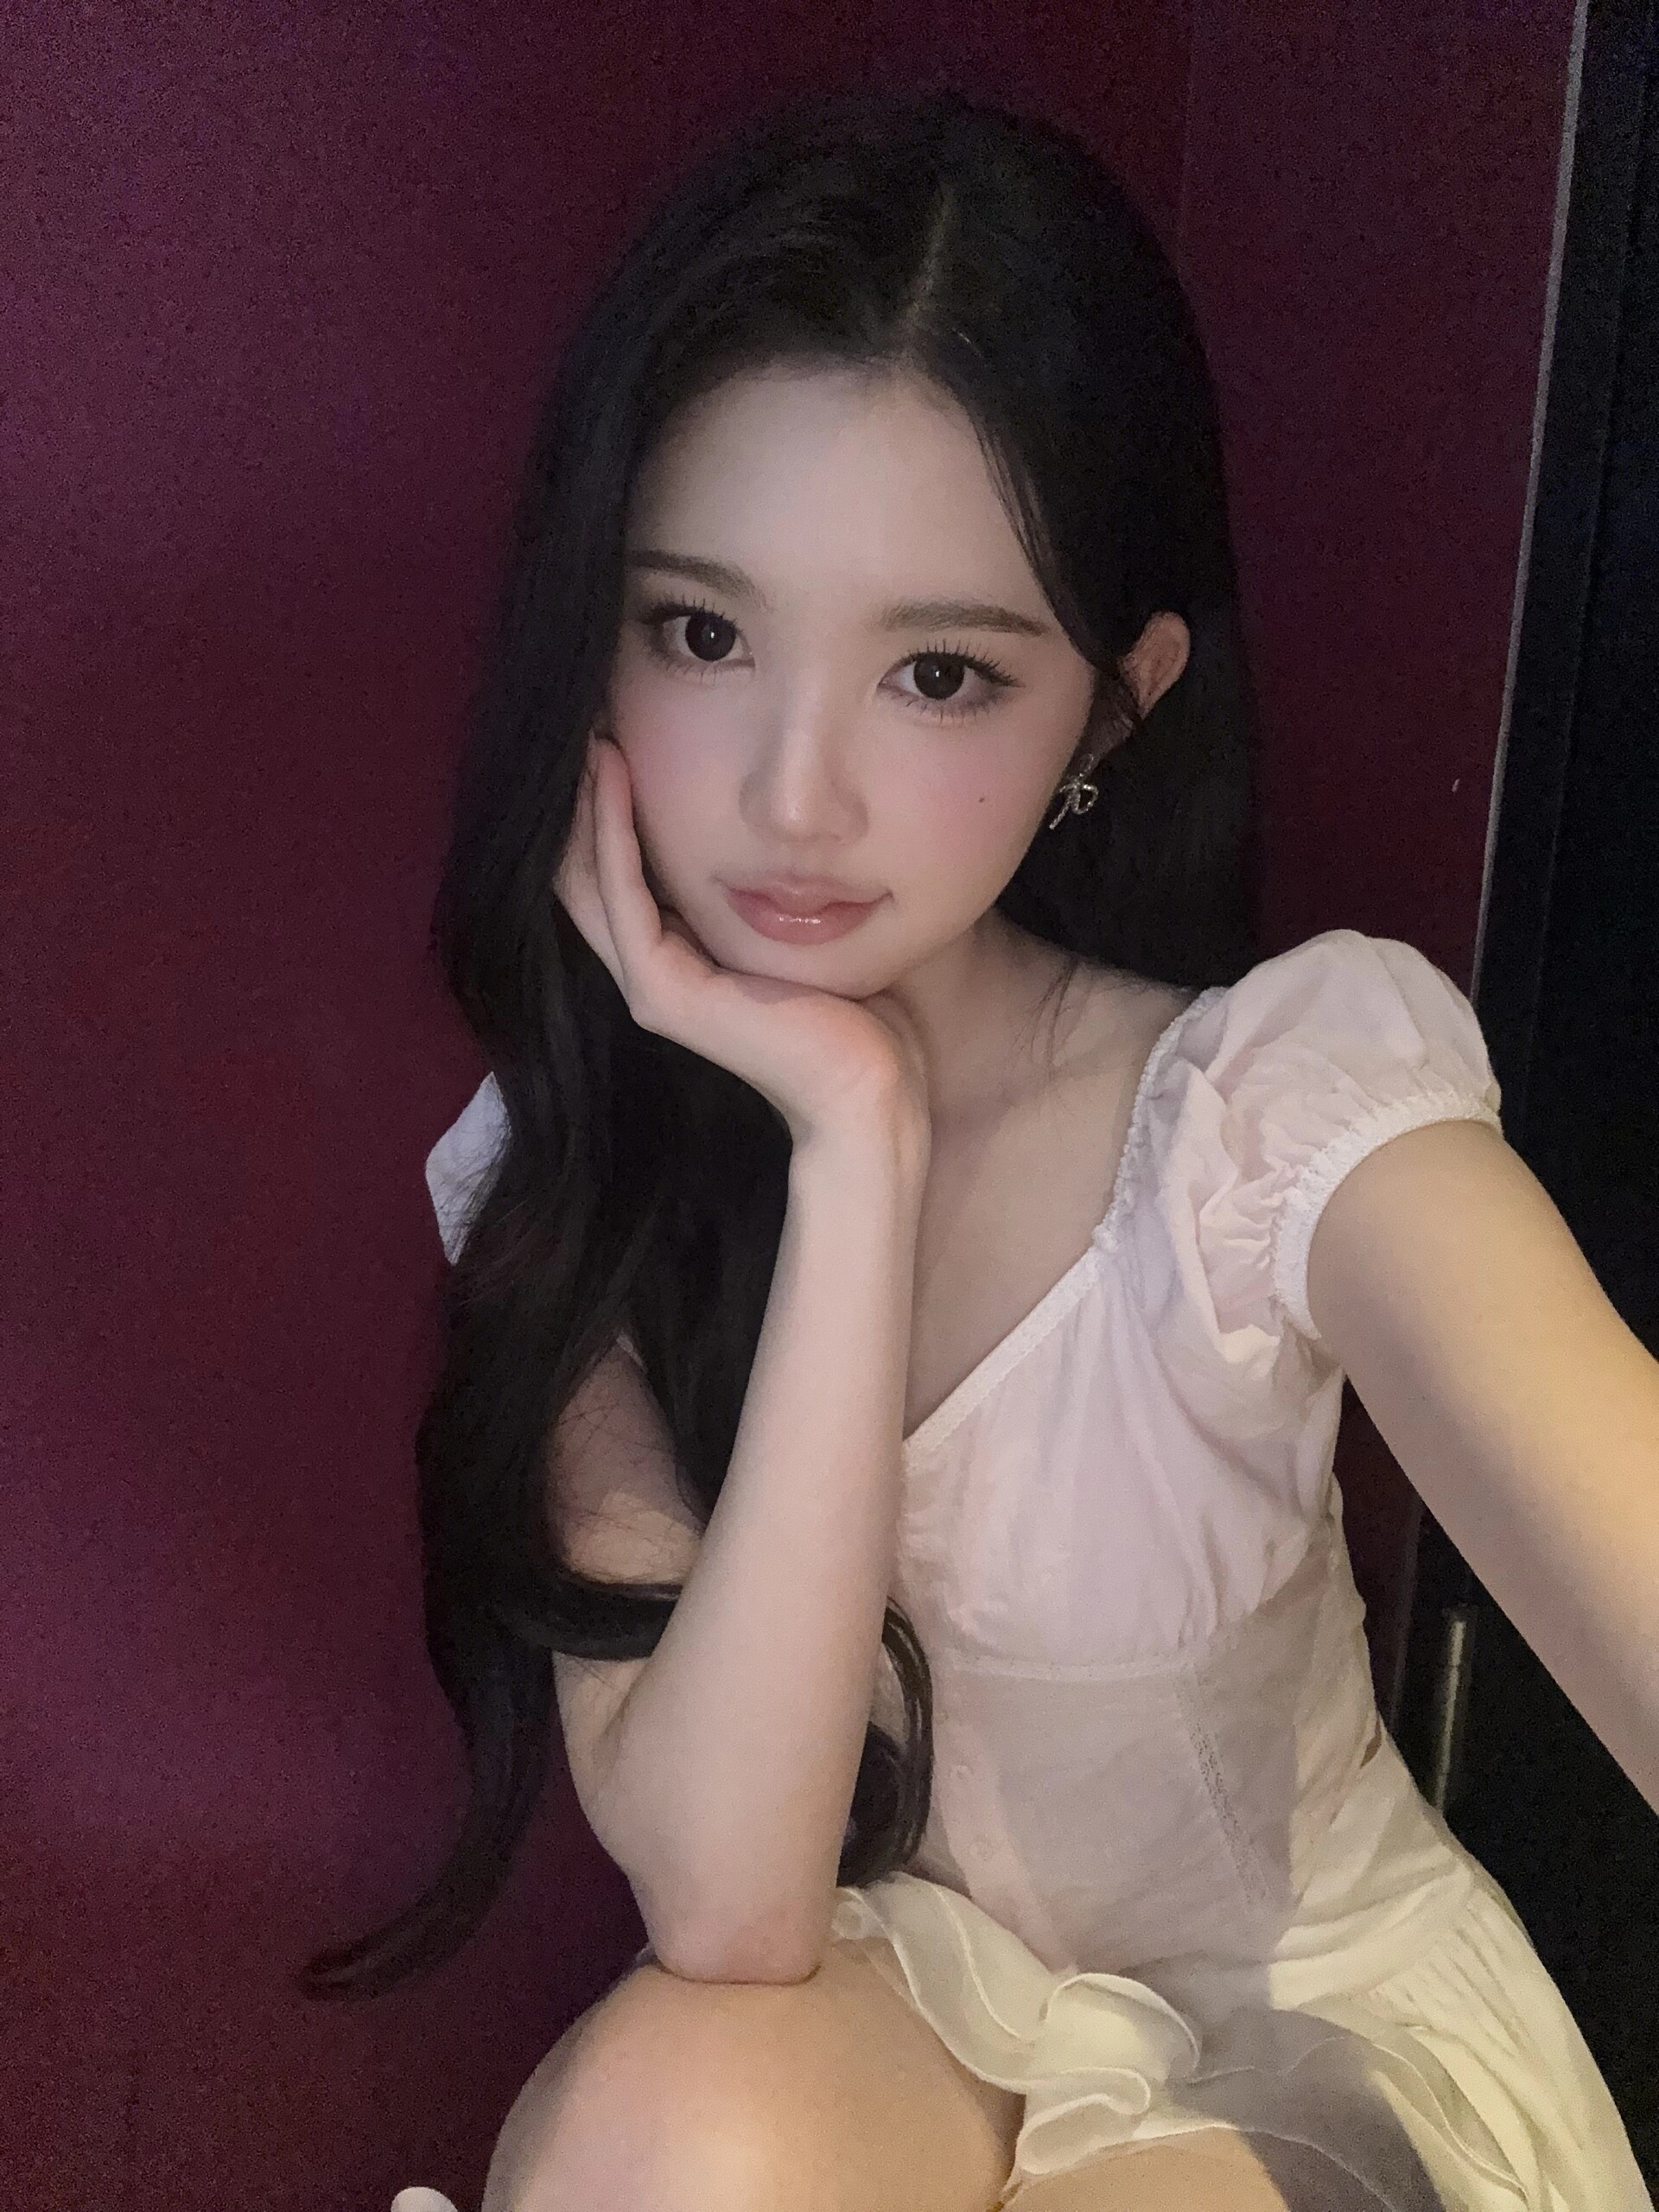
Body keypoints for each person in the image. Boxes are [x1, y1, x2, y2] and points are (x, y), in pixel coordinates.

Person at [307, 86, 1659, 2212]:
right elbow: (738, 1900)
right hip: (899, 2032)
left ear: (1110, 709)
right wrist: (854, 1141)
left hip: (1317, 2052)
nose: (795, 795)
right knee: (673, 2121)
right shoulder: (568, 1169)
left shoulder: (1266, 1109)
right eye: (702, 632)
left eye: (938, 672)